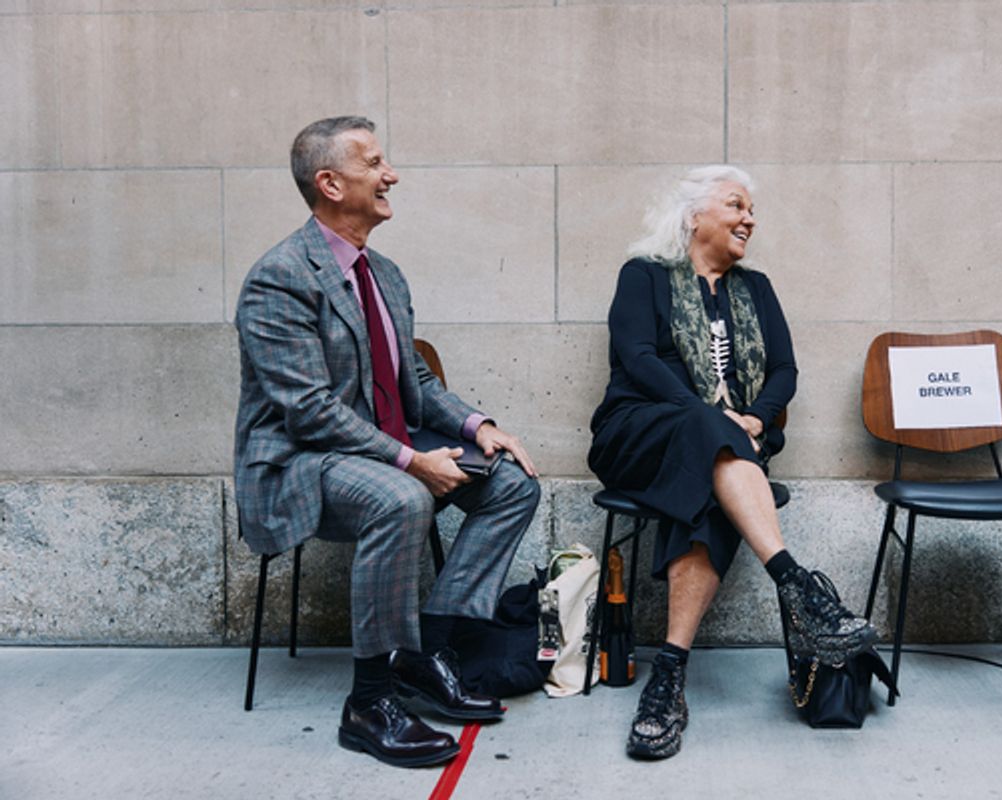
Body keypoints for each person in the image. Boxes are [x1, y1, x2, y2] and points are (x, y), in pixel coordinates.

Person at [234, 116, 540, 769]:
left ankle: (426, 651)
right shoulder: (279, 279)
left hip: (380, 450)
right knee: (402, 497)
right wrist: (413, 461)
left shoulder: (386, 276)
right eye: (375, 163)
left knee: (513, 480)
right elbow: (309, 411)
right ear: (330, 183)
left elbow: (417, 383)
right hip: (299, 461)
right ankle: (370, 702)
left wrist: (477, 427)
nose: (391, 174)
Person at [588, 165, 878, 760]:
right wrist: (714, 419)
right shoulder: (643, 276)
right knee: (705, 431)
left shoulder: (757, 289)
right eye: (736, 205)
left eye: (752, 210)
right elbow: (638, 357)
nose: (750, 218)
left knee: (710, 498)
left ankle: (667, 677)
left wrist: (755, 417)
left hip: (728, 448)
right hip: (636, 435)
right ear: (695, 216)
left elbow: (784, 372)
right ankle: (799, 586)